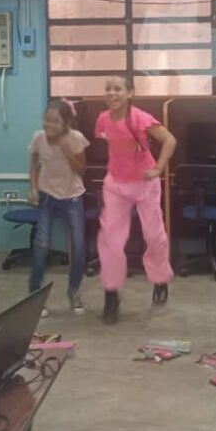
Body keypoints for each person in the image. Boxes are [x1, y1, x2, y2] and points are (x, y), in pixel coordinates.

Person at [94, 75, 177, 324]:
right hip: (116, 184)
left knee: (154, 235)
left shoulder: (139, 118)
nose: (112, 93)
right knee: (110, 239)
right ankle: (111, 295)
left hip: (145, 182)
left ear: (130, 93)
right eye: (108, 89)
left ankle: (160, 280)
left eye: (118, 89)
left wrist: (159, 168)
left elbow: (170, 140)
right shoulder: (103, 119)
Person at [28, 98, 90, 316]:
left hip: (72, 197)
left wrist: (66, 150)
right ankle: (35, 296)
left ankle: (74, 291)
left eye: (55, 121)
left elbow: (82, 170)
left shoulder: (76, 138)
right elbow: (33, 165)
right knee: (41, 245)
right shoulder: (38, 137)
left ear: (65, 123)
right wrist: (33, 188)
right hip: (47, 196)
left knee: (79, 246)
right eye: (47, 119)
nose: (49, 125)